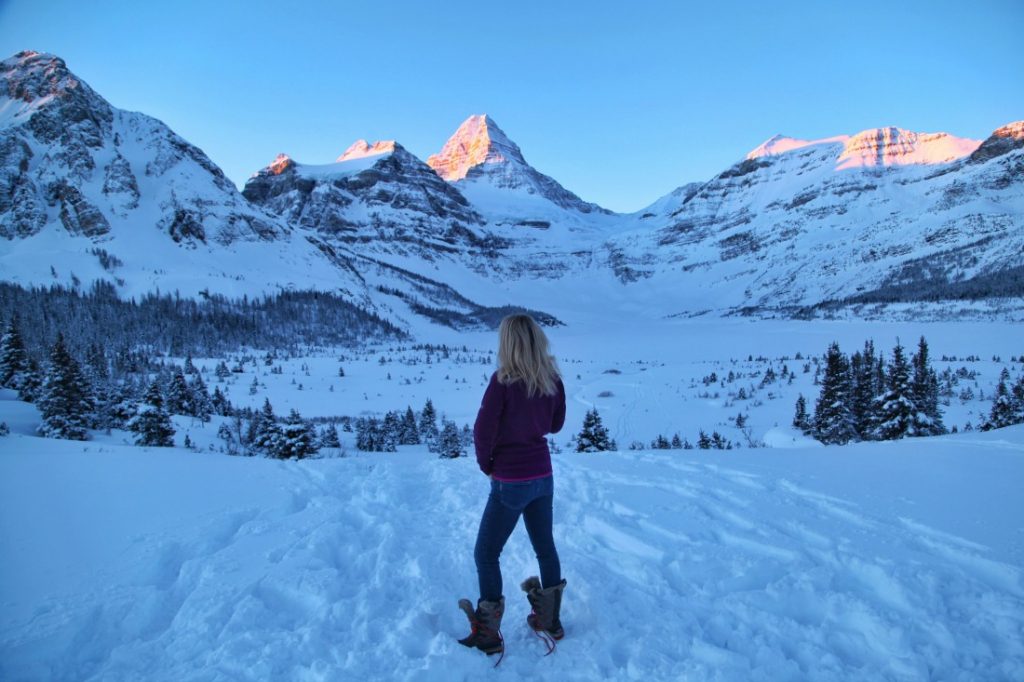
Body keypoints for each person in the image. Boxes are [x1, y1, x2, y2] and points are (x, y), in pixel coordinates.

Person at [458, 314, 567, 658]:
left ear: (508, 343)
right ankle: (550, 620)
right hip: (543, 477)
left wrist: (487, 465)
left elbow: (482, 431)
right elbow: (556, 425)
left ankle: (488, 632)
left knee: (486, 553)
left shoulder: (502, 382)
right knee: (545, 548)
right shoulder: (551, 379)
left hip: (510, 481)